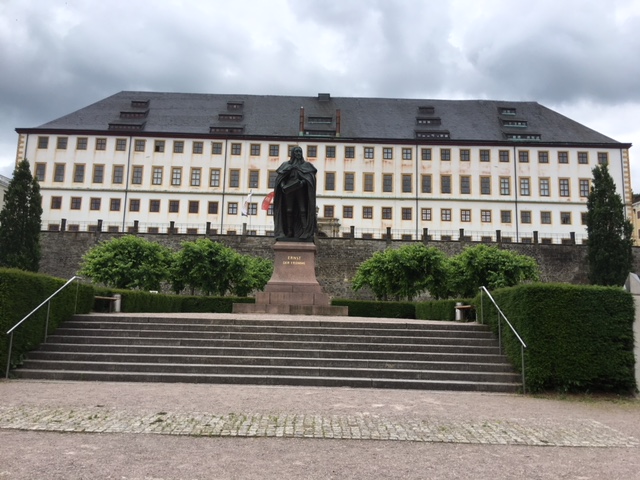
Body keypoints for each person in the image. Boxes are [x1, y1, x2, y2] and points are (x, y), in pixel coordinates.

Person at [273, 146, 317, 240]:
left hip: (300, 190)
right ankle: (289, 231)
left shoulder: (306, 165)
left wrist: (303, 182)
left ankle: (305, 231)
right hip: (289, 191)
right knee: (289, 210)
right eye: (296, 152)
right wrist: (283, 186)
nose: (298, 153)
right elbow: (281, 179)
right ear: (292, 153)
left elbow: (310, 178)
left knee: (303, 210)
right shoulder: (286, 165)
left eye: (300, 152)